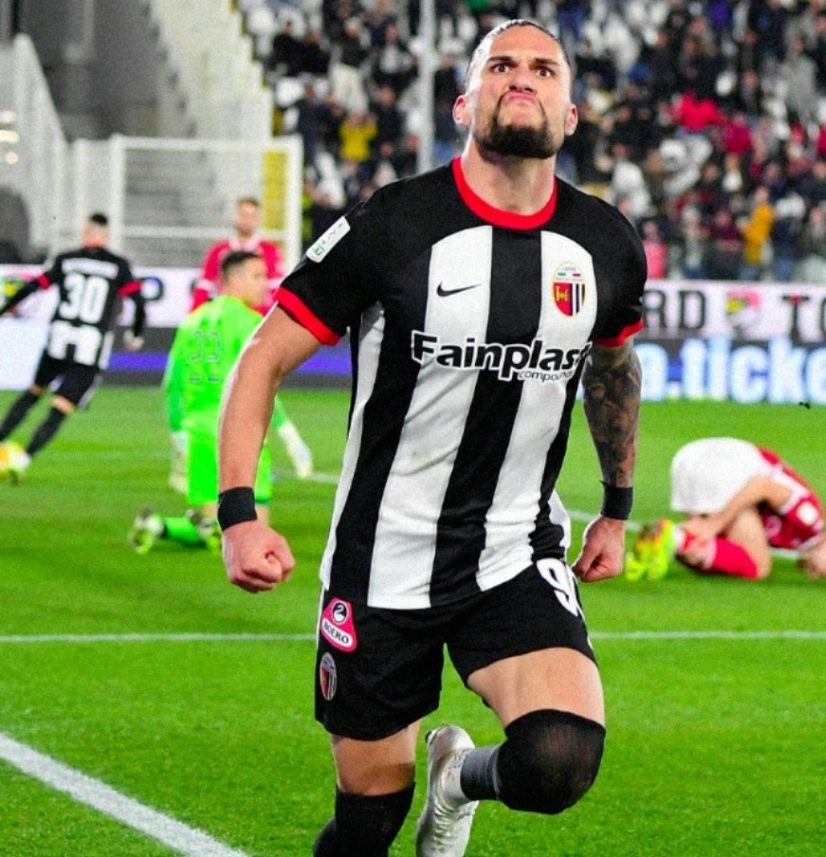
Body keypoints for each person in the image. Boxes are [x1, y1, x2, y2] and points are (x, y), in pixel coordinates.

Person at [216, 20, 646, 857]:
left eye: (544, 69)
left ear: (571, 114)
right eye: (501, 65)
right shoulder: (395, 225)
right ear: (463, 103)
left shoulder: (604, 244)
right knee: (369, 818)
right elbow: (262, 358)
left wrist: (617, 505)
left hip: (514, 546)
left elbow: (613, 366)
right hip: (383, 555)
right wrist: (239, 511)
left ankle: (459, 780)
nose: (522, 78)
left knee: (559, 758)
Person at [132, 251, 311, 553]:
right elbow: (262, 383)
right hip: (240, 430)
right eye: (257, 276)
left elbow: (172, 385)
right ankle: (188, 527)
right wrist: (287, 432)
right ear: (233, 279)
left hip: (198, 432)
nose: (265, 284)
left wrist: (177, 433)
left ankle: (158, 525)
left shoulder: (192, 321)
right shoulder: (251, 323)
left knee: (218, 527)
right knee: (251, 533)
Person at [0, 213, 145, 482]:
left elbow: (33, 286)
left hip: (59, 339)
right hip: (90, 346)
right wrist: (135, 335)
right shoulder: (118, 266)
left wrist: (5, 308)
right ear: (106, 235)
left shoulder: (66, 259)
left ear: (86, 232)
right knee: (60, 408)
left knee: (32, 393)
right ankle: (24, 459)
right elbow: (138, 302)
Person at [626, 437, 826, 583]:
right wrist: (715, 523)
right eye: (823, 571)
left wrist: (713, 526)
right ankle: (675, 537)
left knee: (719, 547)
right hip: (725, 465)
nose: (815, 575)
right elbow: (762, 486)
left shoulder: (795, 540)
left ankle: (656, 545)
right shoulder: (812, 522)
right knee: (759, 565)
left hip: (689, 459)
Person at [190, 197, 284, 313]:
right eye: (243, 215)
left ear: (258, 219)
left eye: (252, 216)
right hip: (225, 314)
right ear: (234, 216)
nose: (247, 220)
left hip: (258, 315)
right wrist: (195, 313)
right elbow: (205, 286)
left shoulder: (270, 251)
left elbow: (276, 288)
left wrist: (272, 316)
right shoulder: (218, 251)